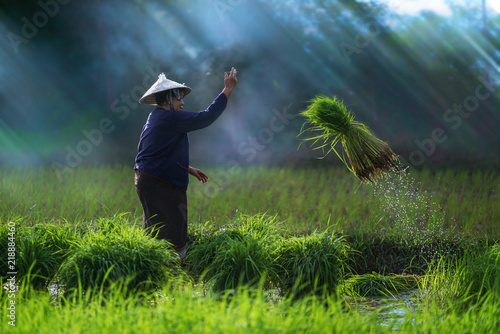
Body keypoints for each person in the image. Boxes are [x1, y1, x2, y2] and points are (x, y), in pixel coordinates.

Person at [134, 67, 238, 262]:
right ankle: (174, 271)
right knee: (173, 227)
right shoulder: (170, 118)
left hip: (145, 177)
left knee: (155, 226)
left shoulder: (155, 117)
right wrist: (228, 90)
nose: (182, 103)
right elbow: (206, 117)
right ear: (168, 99)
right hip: (160, 182)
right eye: (179, 98)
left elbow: (155, 151)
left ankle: (150, 265)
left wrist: (188, 168)